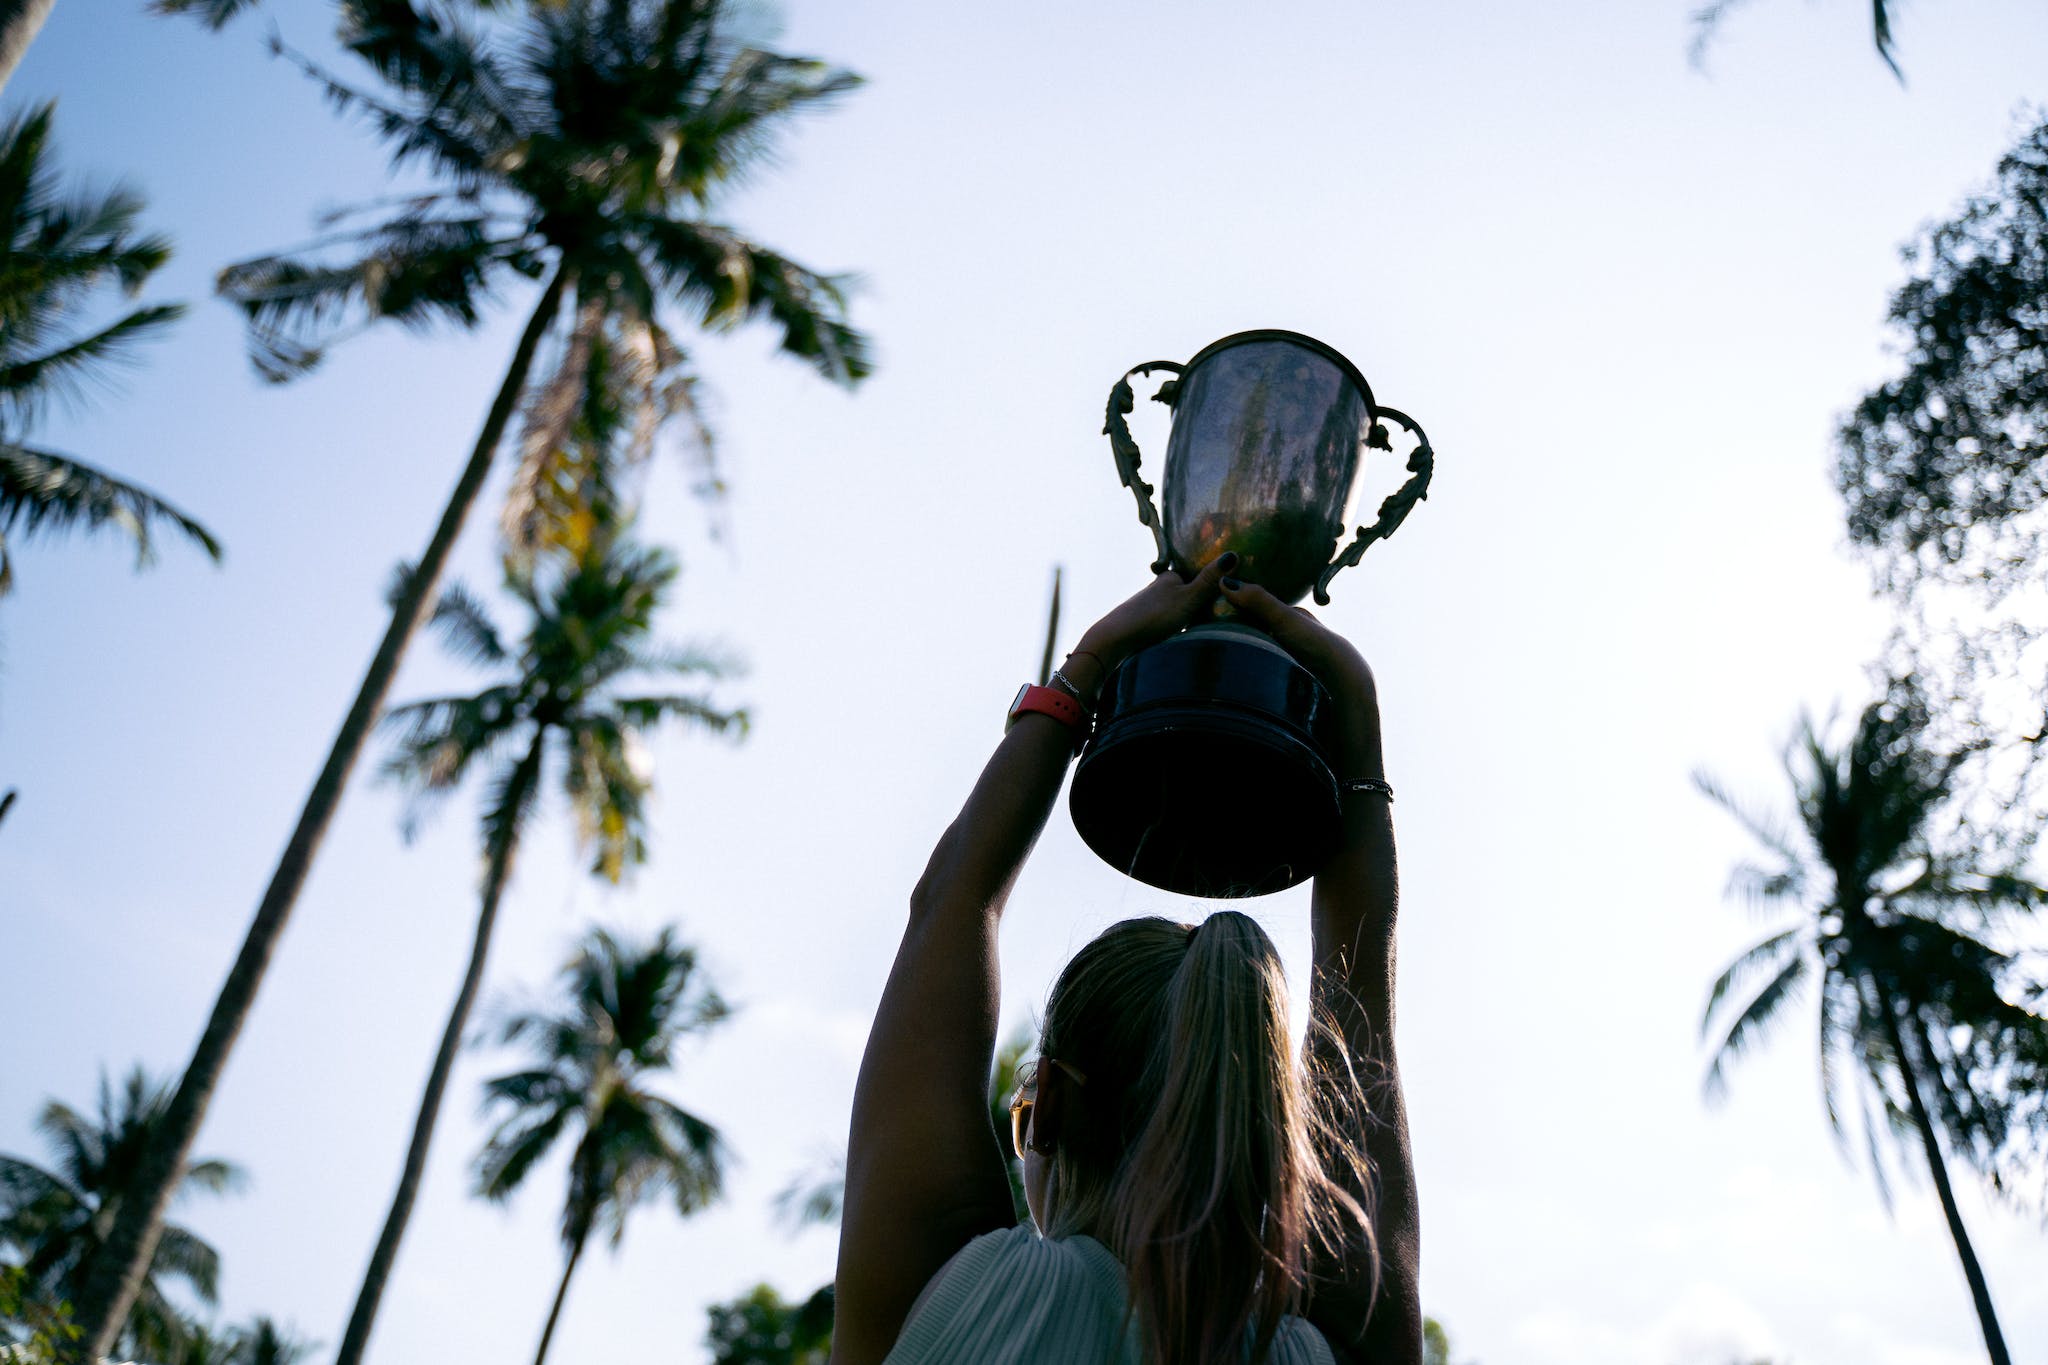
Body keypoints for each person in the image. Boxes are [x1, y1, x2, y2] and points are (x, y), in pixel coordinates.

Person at [830, 553, 1420, 1365]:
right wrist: (1357, 727)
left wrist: (1087, 666)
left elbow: (949, 902)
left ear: (1055, 1113)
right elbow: (1361, 1008)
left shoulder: (960, 1298)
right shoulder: (1314, 1355)